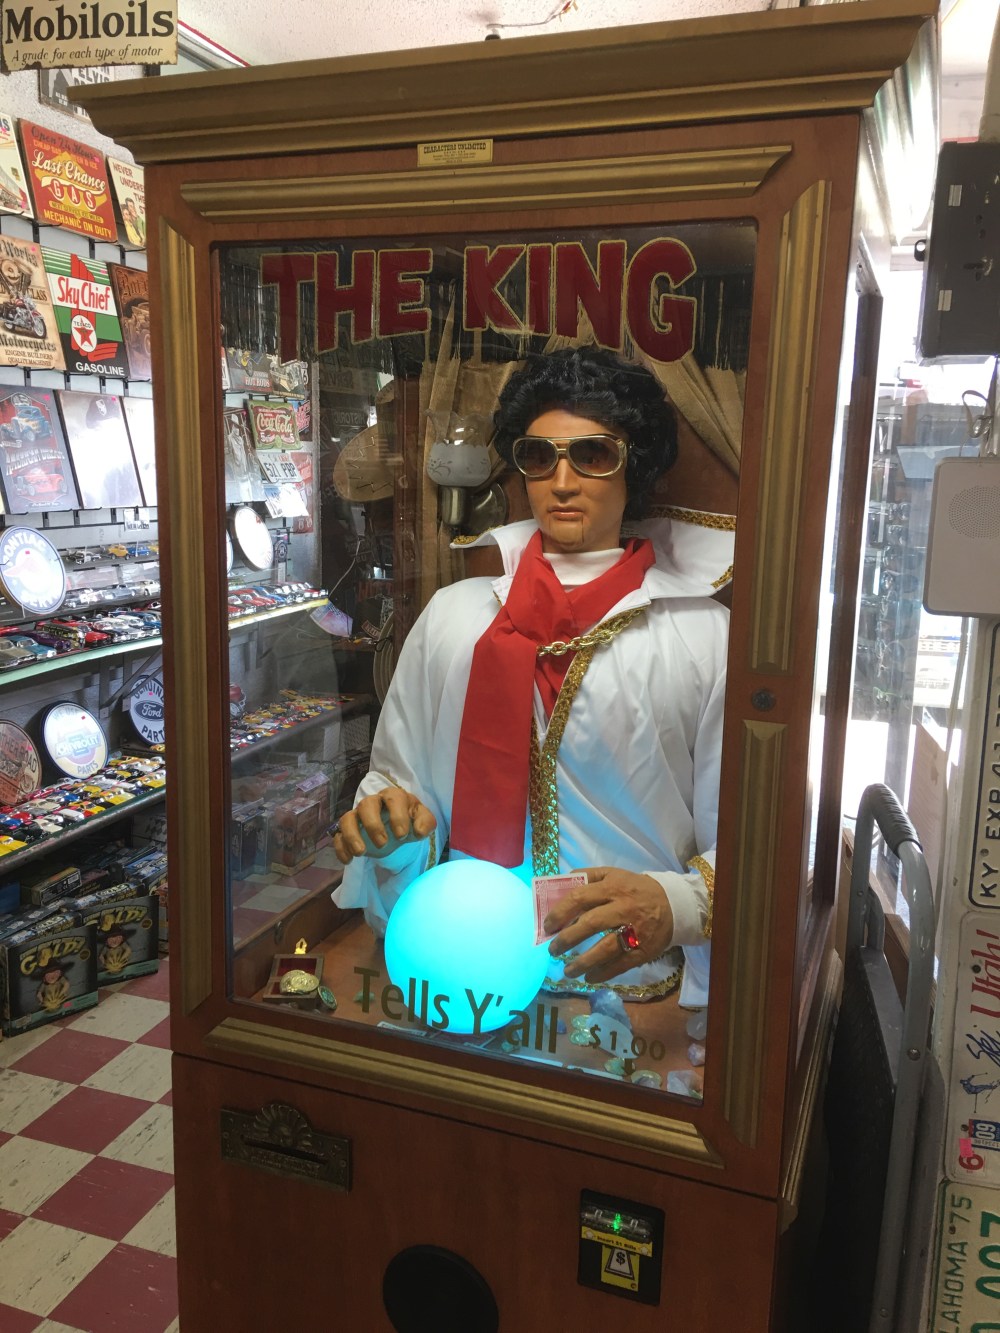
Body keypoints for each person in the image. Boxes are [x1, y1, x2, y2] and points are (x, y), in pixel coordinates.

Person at [333, 346, 729, 1007]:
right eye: (539, 457)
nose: (562, 482)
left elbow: (744, 833)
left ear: (635, 465)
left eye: (593, 455)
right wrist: (389, 827)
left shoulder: (702, 638)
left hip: (629, 983)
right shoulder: (453, 619)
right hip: (466, 967)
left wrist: (674, 904)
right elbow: (401, 781)